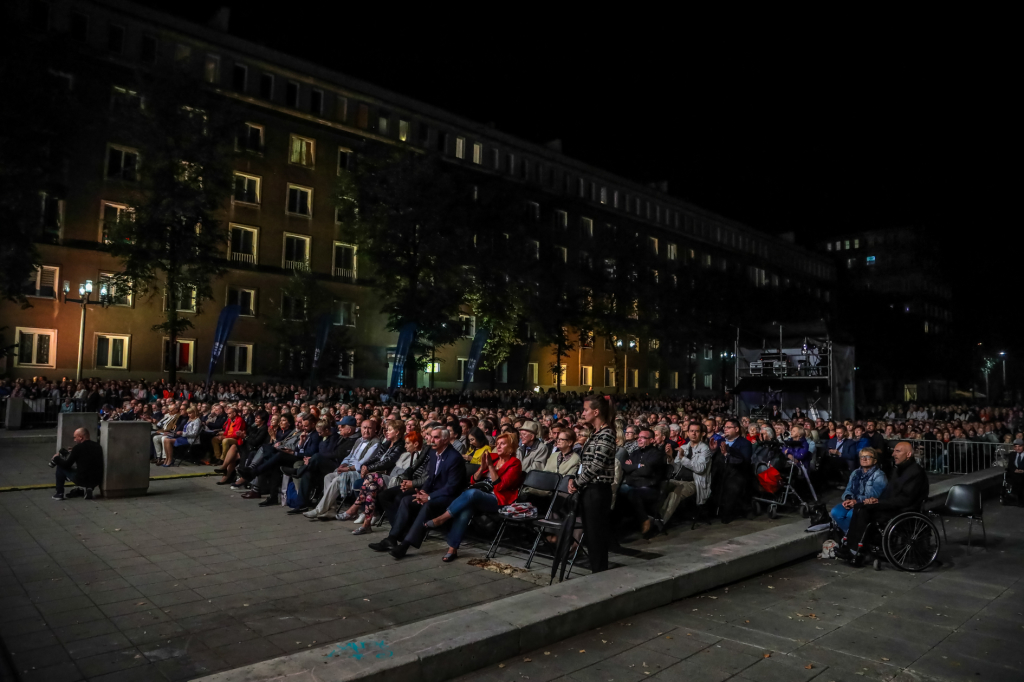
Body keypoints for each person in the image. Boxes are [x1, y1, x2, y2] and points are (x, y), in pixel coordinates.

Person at [368, 426, 467, 559]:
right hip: (433, 492)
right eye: (431, 436)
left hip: (449, 497)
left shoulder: (454, 458)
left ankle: (405, 545)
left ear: (446, 440)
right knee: (406, 500)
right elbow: (431, 477)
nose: (431, 440)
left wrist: (429, 496)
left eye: (436, 437)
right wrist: (423, 491)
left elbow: (452, 487)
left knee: (427, 505)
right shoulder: (433, 453)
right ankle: (392, 538)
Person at [425, 431, 524, 562]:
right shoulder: (493, 457)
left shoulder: (515, 463)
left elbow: (500, 487)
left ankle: (443, 518)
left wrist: (490, 467)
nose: (498, 446)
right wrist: (482, 467)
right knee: (467, 507)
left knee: (472, 494)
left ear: (511, 447)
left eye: (503, 444)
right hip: (479, 495)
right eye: (497, 443)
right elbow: (474, 480)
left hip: (497, 499)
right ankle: (452, 549)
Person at [838, 441, 929, 565]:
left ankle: (858, 550)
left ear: (908, 454)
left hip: (905, 509)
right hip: (893, 505)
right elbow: (889, 491)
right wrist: (875, 500)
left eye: (898, 451)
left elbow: (906, 499)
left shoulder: (915, 472)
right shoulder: (898, 470)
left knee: (866, 512)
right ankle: (850, 547)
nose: (893, 454)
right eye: (894, 451)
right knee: (860, 506)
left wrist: (880, 503)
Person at [567, 395, 617, 573]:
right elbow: (585, 463)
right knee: (591, 533)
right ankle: (596, 569)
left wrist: (578, 482)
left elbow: (597, 465)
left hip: (597, 490)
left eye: (586, 409)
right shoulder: (595, 434)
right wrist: (574, 478)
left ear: (596, 412)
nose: (583, 413)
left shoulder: (607, 434)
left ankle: (599, 570)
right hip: (589, 488)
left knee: (597, 534)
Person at [337, 420, 405, 533]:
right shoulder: (387, 443)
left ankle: (354, 509)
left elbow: (387, 462)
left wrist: (369, 468)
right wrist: (365, 465)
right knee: (371, 487)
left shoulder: (400, 446)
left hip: (388, 476)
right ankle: (366, 524)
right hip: (377, 477)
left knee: (370, 479)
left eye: (389, 430)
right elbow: (377, 457)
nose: (386, 432)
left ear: (397, 432)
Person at [659, 421, 712, 525]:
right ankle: (653, 517)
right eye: (691, 431)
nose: (694, 433)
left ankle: (661, 522)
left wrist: (683, 458)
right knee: (660, 486)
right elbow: (676, 468)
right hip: (678, 480)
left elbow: (700, 469)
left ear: (701, 433)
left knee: (675, 493)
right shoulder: (683, 447)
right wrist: (670, 457)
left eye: (697, 431)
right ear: (687, 433)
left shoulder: (704, 449)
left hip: (694, 482)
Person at [618, 428, 668, 535]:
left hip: (650, 488)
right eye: (639, 437)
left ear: (651, 440)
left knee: (632, 493)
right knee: (616, 491)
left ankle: (644, 519)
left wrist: (632, 468)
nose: (639, 440)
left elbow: (647, 471)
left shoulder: (657, 454)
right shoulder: (635, 453)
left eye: (643, 438)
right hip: (633, 484)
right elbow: (625, 467)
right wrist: (638, 466)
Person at [829, 448, 887, 533]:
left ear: (874, 461)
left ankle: (851, 537)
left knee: (851, 515)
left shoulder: (879, 475)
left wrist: (856, 502)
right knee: (835, 512)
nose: (864, 459)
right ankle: (848, 534)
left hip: (867, 504)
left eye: (868, 456)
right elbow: (848, 489)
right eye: (862, 457)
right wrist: (848, 499)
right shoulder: (855, 473)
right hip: (853, 501)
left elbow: (874, 496)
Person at [51, 428, 103, 500]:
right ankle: (89, 488)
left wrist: (56, 458)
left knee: (60, 468)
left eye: (75, 437)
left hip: (82, 479)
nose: (74, 440)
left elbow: (67, 465)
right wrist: (74, 451)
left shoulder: (78, 448)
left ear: (81, 437)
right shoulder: (98, 446)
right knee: (89, 469)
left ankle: (59, 493)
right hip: (96, 480)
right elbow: (87, 454)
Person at [1005, 440, 1024, 506]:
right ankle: (1014, 498)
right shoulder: (1012, 455)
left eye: (1019, 446)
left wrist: (1022, 471)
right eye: (1016, 446)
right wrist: (1015, 470)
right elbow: (1010, 465)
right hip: (1014, 474)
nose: (1017, 448)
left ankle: (1020, 499)